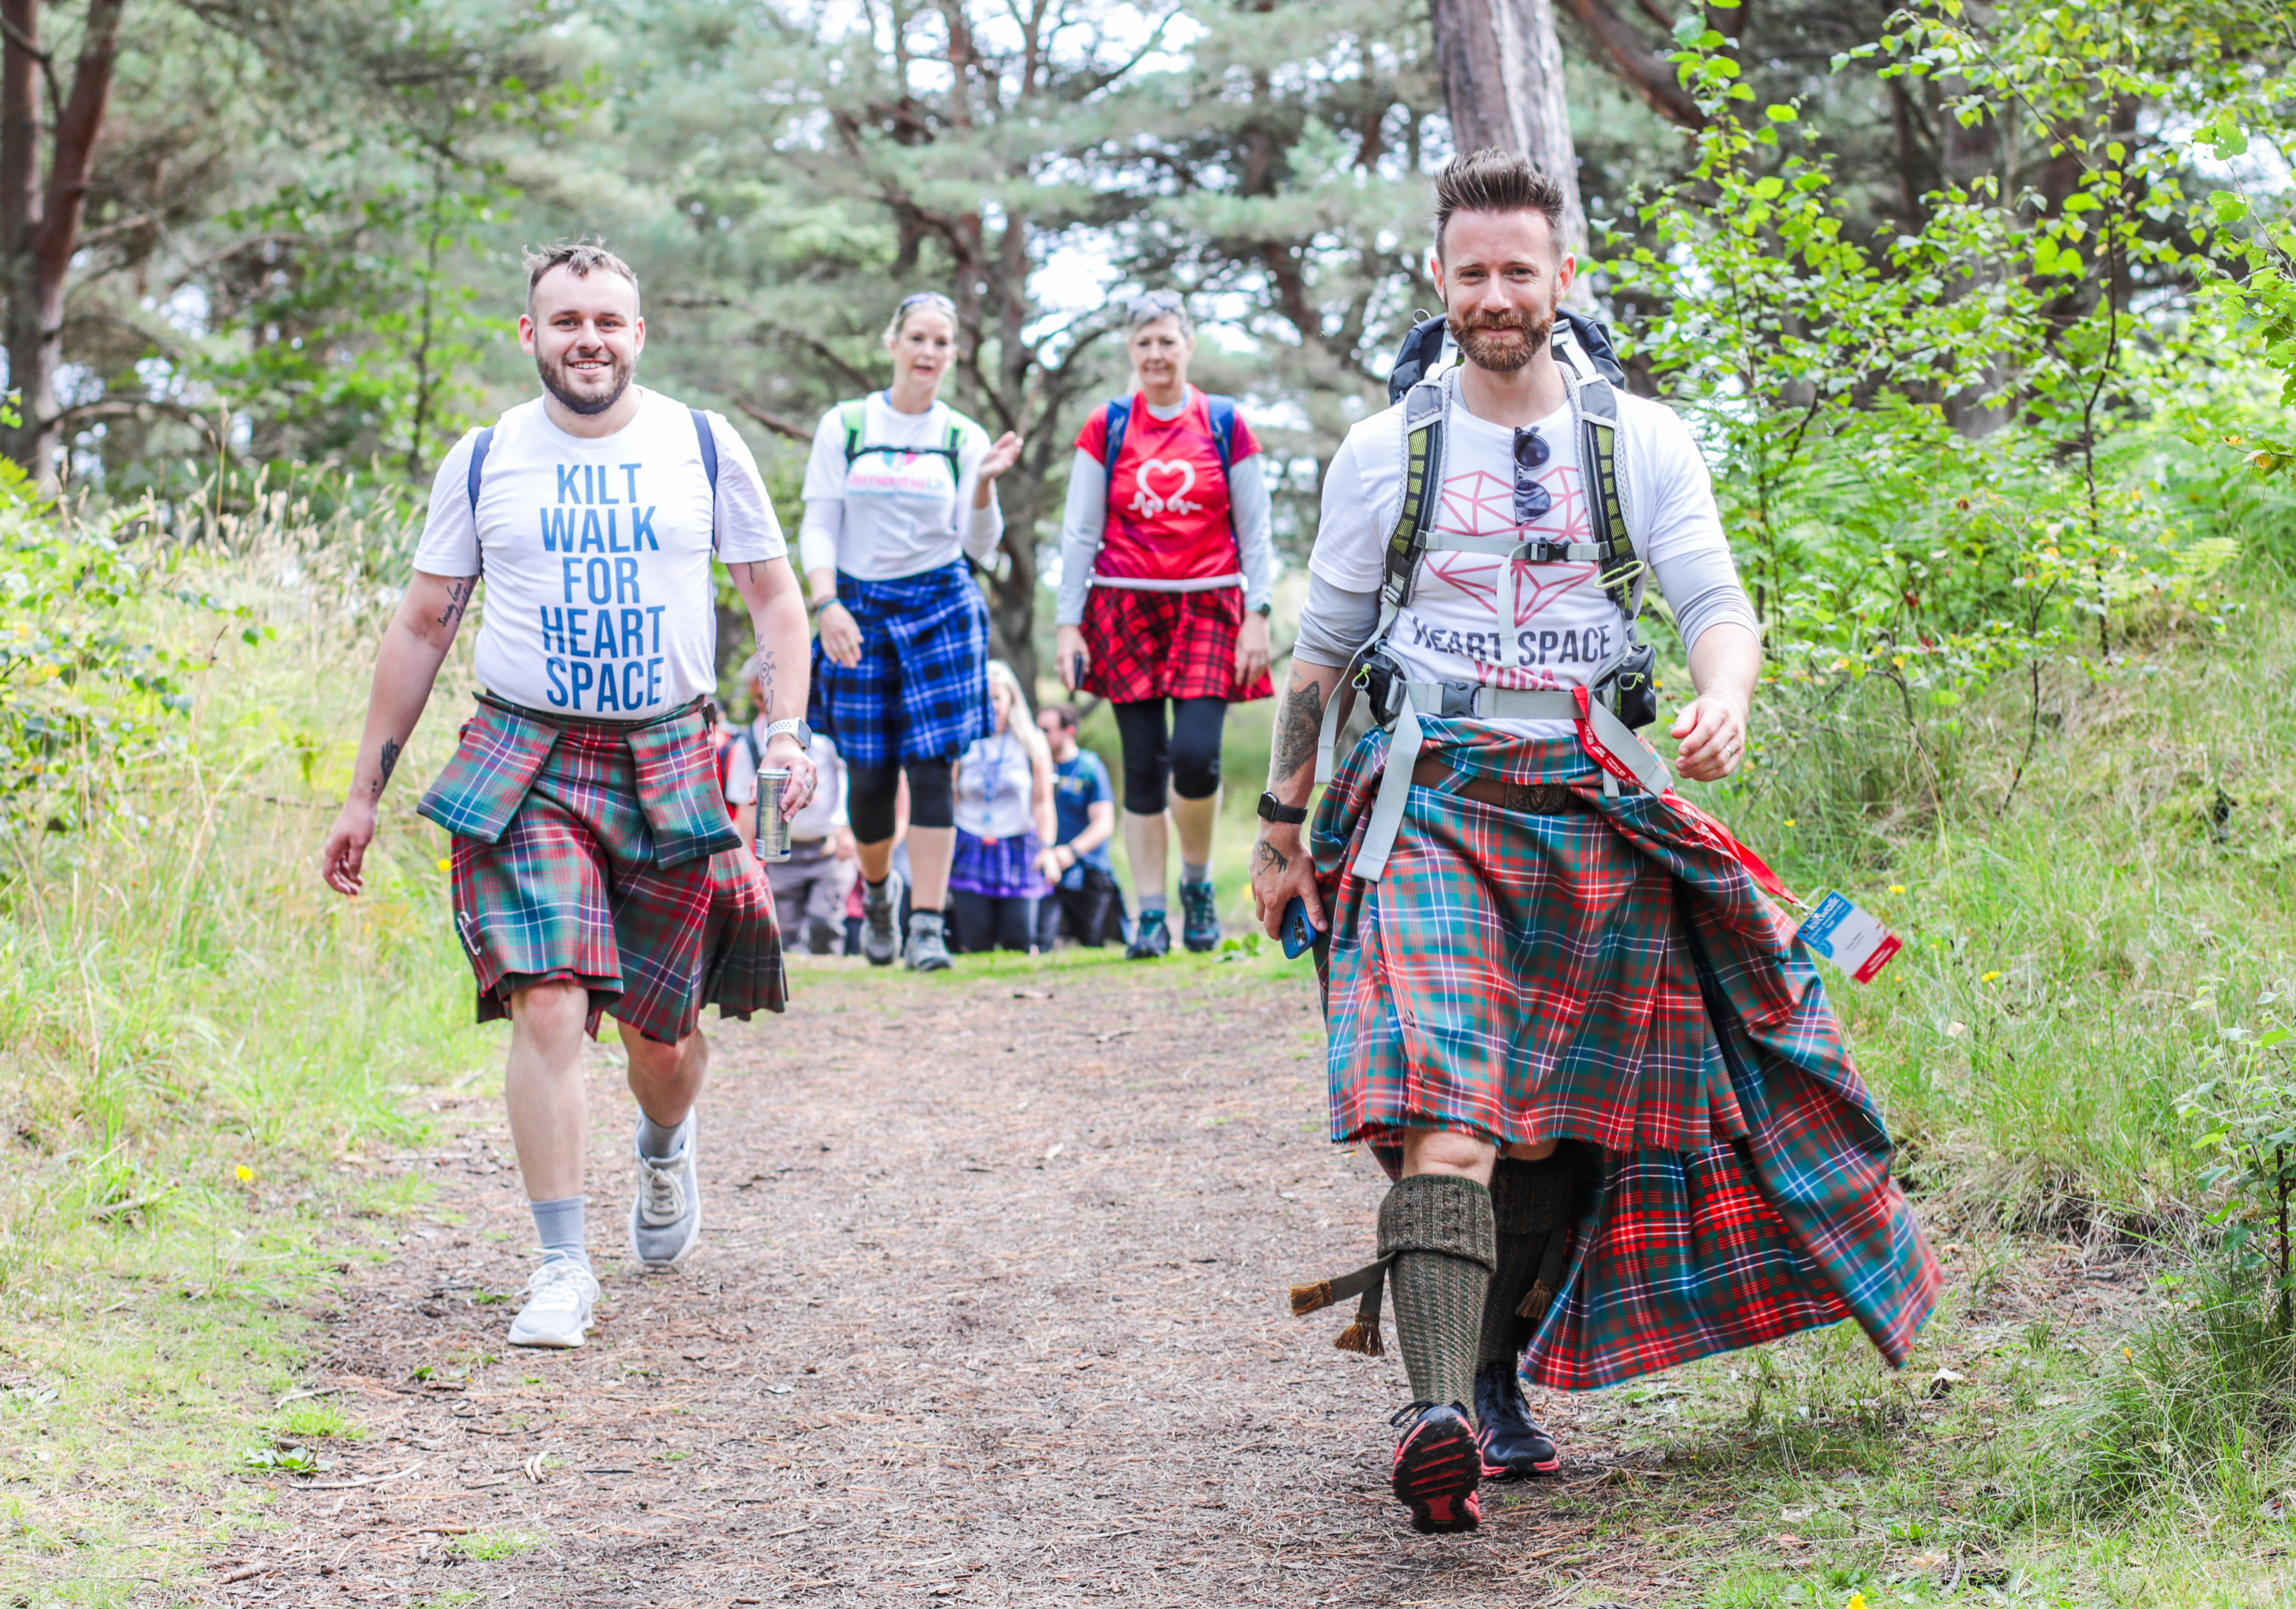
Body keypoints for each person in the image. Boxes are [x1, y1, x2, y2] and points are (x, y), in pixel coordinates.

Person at [1250, 152, 1939, 1535]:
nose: (1492, 294)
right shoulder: (1385, 450)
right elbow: (1318, 653)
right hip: (1426, 797)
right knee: (1445, 1117)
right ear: (1436, 283)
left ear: (1560, 278)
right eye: (1469, 271)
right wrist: (1278, 826)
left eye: (1517, 269)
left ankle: (1492, 1375)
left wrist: (1723, 695)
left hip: (1595, 802)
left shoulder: (1642, 441)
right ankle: (1434, 1409)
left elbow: (1712, 600)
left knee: (1563, 1133)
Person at [318, 241, 818, 1351]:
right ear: (529, 334)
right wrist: (361, 790)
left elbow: (776, 602)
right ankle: (559, 1264)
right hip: (526, 758)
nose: (586, 337)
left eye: (607, 319)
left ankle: (662, 1143)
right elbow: (422, 624)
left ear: (639, 334)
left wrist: (785, 732)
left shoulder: (701, 443)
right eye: (565, 319)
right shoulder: (488, 456)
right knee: (544, 995)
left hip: (672, 753)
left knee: (661, 1035)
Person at [803, 291, 1024, 973]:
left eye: (942, 343)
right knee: (868, 782)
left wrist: (984, 486)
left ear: (952, 356)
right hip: (857, 611)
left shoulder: (963, 438)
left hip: (940, 607)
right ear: (892, 341)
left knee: (933, 773)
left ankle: (926, 925)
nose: (929, 353)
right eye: (918, 339)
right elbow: (818, 523)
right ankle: (878, 895)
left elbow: (982, 546)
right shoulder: (845, 425)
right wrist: (826, 603)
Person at [1055, 290, 1275, 959]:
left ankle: (1197, 883)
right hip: (1124, 606)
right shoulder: (1108, 425)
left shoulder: (1224, 423)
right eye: (1144, 343)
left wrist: (1257, 615)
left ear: (1188, 347)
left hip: (1209, 604)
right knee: (1143, 764)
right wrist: (1069, 624)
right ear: (1132, 350)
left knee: (1195, 757)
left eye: (1167, 342)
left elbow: (1256, 530)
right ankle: (1150, 914)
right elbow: (1079, 530)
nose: (1156, 354)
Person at [724, 650, 855, 955]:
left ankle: (830, 970)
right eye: (759, 701)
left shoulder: (824, 733)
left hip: (828, 847)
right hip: (781, 852)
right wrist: (750, 860)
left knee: (827, 921)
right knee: (784, 928)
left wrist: (847, 831)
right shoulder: (749, 743)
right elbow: (746, 806)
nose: (766, 709)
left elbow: (850, 784)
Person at [946, 661, 1055, 953]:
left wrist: (1047, 849)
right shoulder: (962, 742)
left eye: (997, 698)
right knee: (976, 941)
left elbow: (1043, 801)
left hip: (1019, 845)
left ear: (1011, 700)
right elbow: (952, 796)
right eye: (985, 698)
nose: (991, 705)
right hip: (970, 843)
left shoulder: (1032, 743)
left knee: (1019, 939)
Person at [1032, 702, 1123, 950]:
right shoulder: (1035, 766)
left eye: (1046, 730)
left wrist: (1072, 852)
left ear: (1069, 731)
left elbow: (1104, 822)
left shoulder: (1089, 768)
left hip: (1088, 868)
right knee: (1041, 941)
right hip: (1045, 871)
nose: (1039, 736)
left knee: (1092, 941)